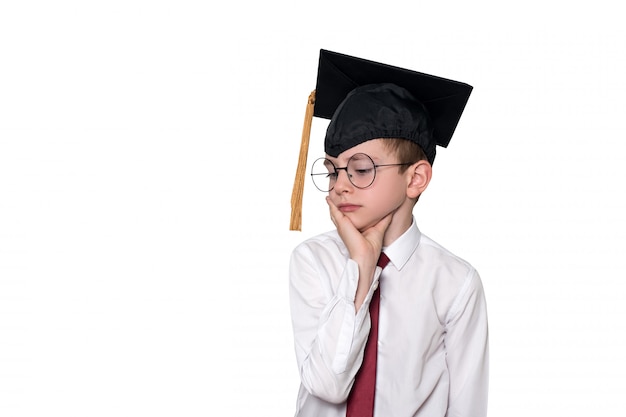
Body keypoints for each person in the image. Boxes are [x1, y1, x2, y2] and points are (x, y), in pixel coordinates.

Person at [288, 49, 489, 417]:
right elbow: (327, 386)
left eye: (360, 169)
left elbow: (467, 405)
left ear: (415, 179)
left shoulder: (454, 282)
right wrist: (362, 268)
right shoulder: (313, 261)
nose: (341, 185)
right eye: (333, 171)